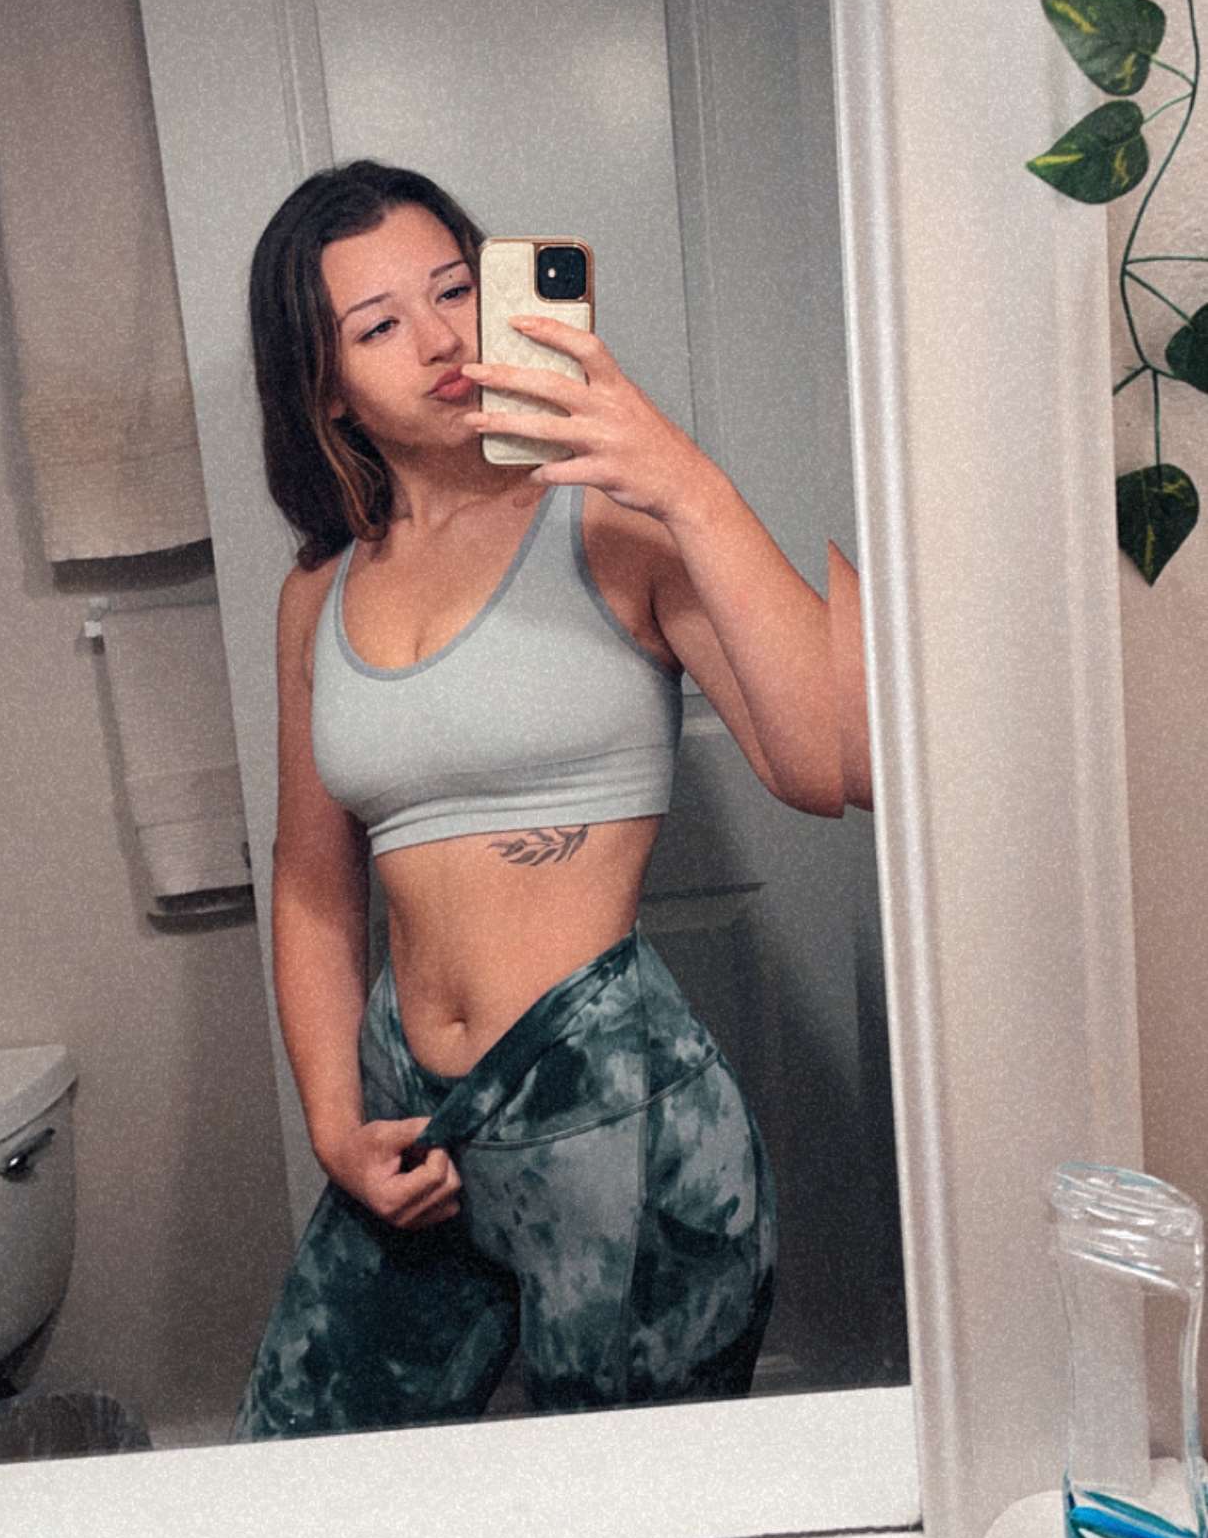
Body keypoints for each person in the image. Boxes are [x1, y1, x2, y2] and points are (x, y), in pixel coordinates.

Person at [233, 159, 870, 1440]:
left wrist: (682, 483)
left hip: (613, 1117)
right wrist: (334, 1125)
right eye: (378, 325)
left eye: (453, 289)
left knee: (622, 1512)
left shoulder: (612, 522)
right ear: (324, 384)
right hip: (412, 1122)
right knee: (302, 1474)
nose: (440, 339)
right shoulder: (318, 590)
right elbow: (311, 886)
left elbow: (831, 766)